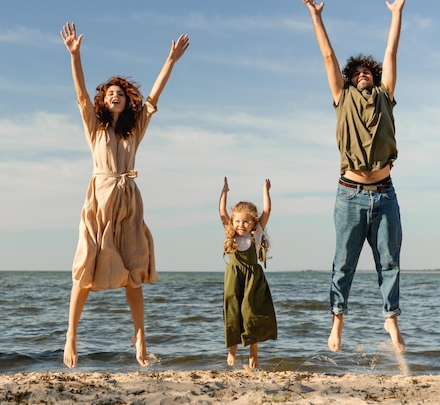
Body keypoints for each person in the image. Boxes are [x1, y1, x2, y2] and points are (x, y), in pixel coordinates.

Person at [60, 22, 189, 368]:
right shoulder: (94, 126)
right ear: (103, 100)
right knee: (84, 269)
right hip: (99, 201)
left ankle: (140, 339)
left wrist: (170, 60)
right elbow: (80, 94)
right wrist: (75, 56)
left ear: (125, 99)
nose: (114, 95)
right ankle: (71, 337)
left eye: (120, 92)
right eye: (109, 93)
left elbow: (154, 98)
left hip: (129, 203)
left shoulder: (135, 128)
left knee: (134, 273)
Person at [300, 0, 409, 354]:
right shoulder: (341, 96)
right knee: (344, 264)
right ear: (349, 79)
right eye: (358, 73)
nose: (364, 75)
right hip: (349, 193)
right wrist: (316, 16)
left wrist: (395, 14)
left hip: (385, 193)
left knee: (390, 261)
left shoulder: (384, 96)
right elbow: (327, 55)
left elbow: (391, 53)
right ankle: (337, 319)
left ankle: (390, 319)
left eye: (368, 72)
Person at [219, 176, 277, 369]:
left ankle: (253, 350)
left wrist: (265, 191)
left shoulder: (257, 234)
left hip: (253, 278)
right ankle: (233, 348)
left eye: (245, 222)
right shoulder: (231, 234)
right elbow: (221, 212)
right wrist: (225, 192)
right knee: (233, 310)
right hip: (233, 277)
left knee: (251, 313)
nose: (241, 225)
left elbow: (267, 211)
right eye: (237, 221)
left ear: (253, 223)